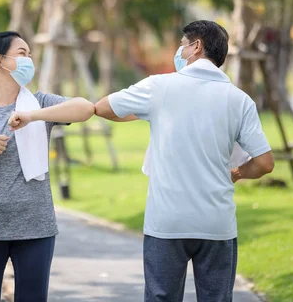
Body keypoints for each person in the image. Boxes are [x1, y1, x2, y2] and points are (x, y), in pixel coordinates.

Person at [95, 20, 274, 302]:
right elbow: (264, 163)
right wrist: (237, 173)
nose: (179, 51)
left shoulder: (160, 87)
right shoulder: (239, 100)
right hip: (217, 224)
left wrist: (145, 111)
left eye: (182, 45)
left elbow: (103, 107)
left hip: (167, 223)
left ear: (196, 47)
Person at [0, 31, 95, 302]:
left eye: (30, 55)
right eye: (22, 53)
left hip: (36, 228)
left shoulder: (40, 104)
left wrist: (32, 116)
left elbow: (85, 108)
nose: (29, 60)